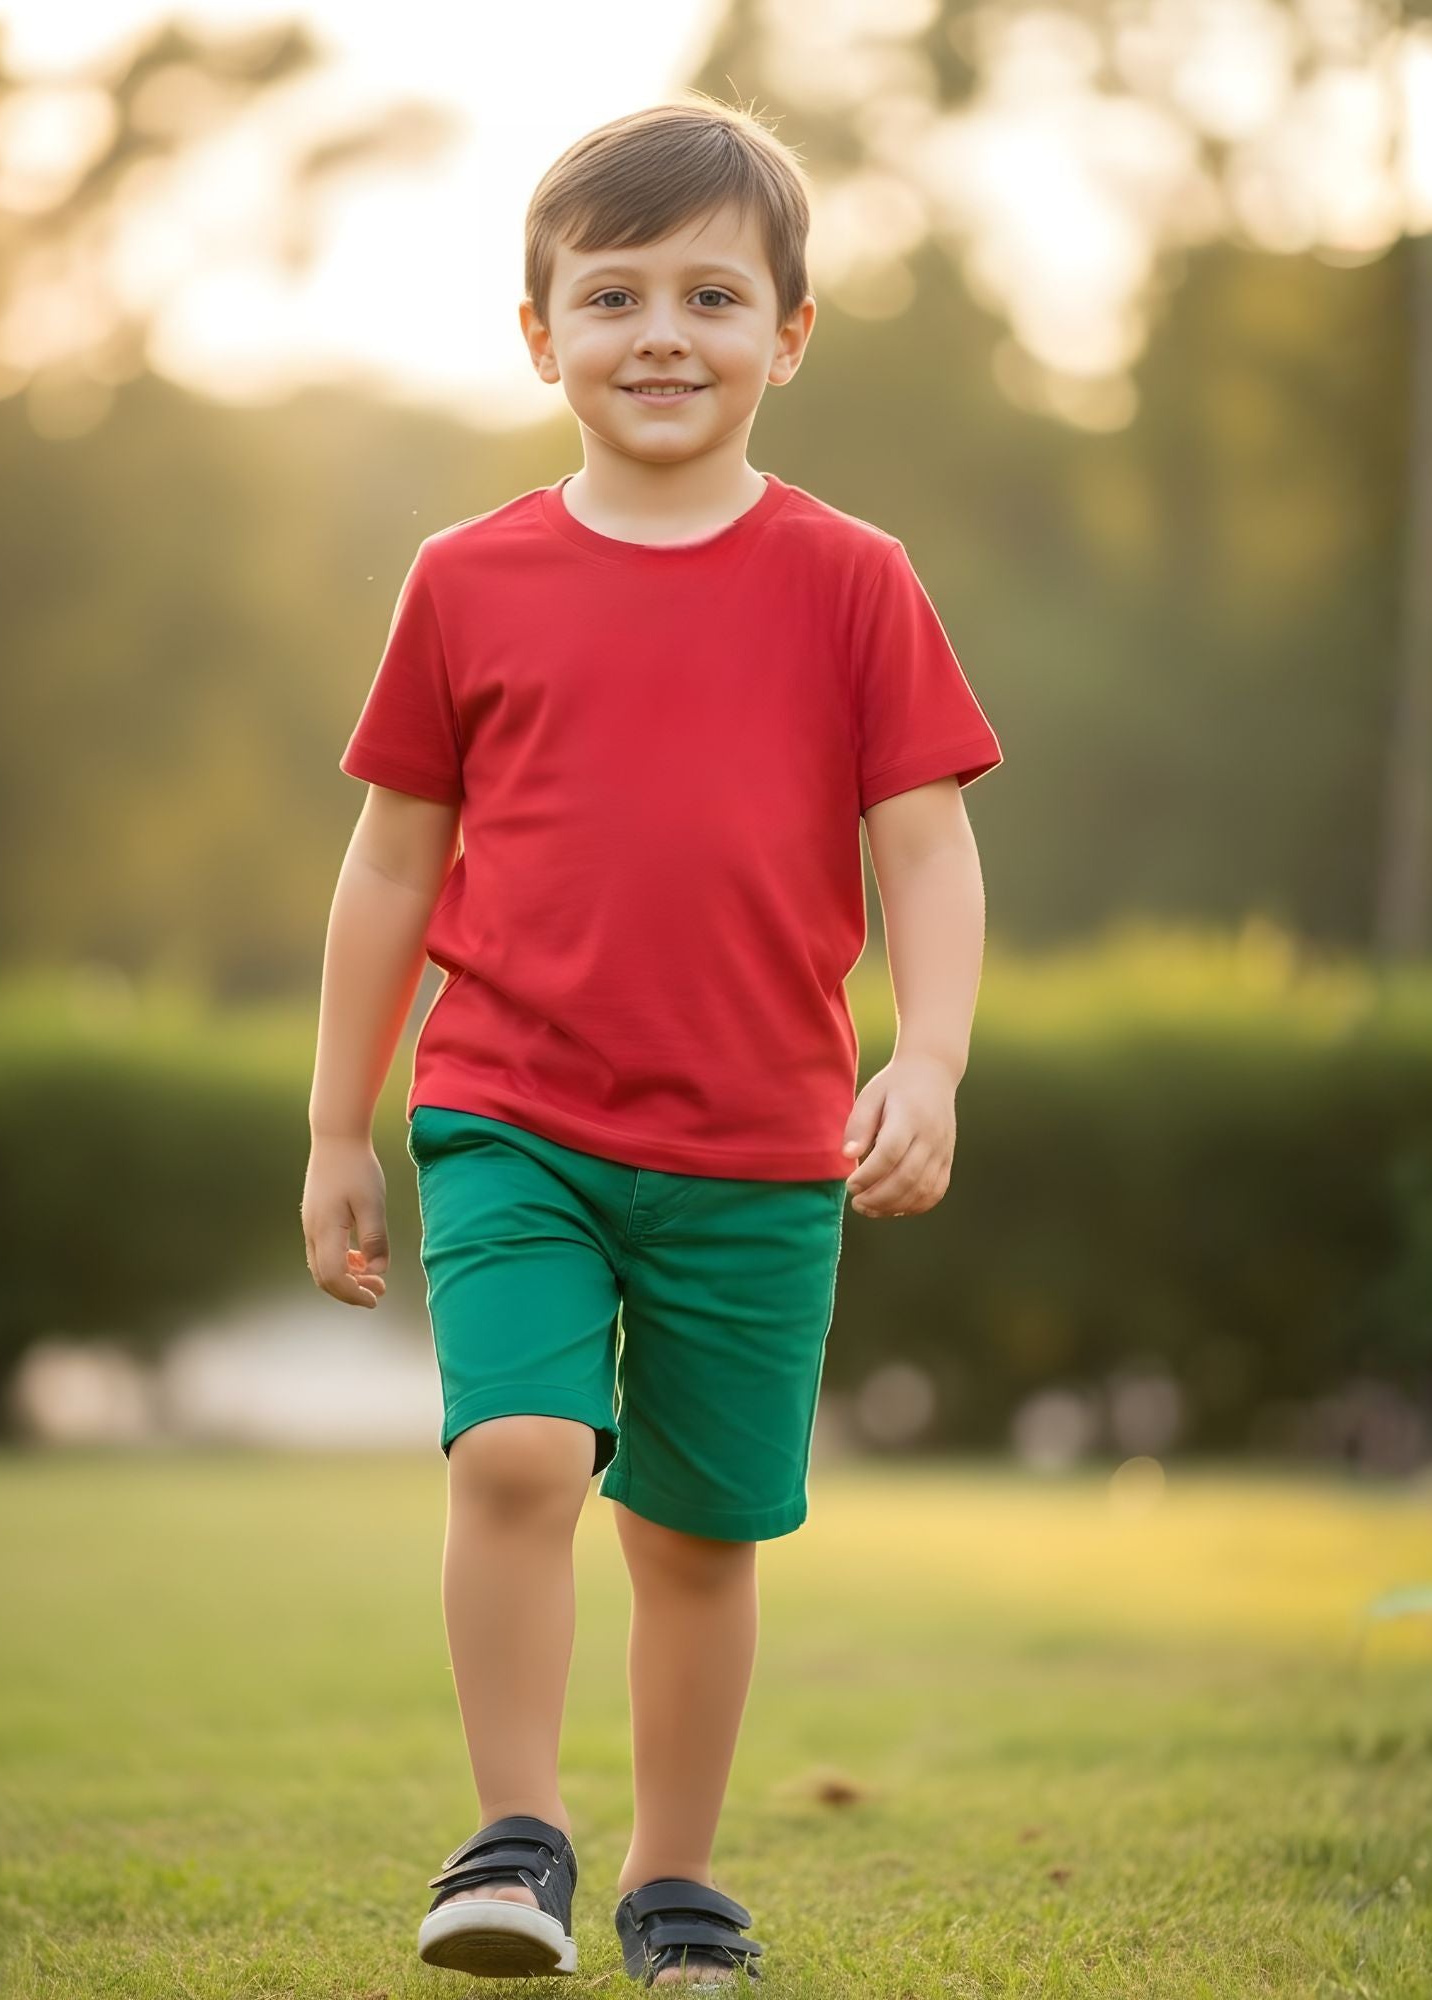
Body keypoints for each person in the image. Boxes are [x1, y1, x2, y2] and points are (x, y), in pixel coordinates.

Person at [302, 93, 1004, 1990]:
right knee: (518, 1454)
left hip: (762, 1143)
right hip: (509, 1112)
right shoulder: (466, 579)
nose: (662, 335)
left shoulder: (854, 579)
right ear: (541, 337)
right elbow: (389, 866)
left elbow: (928, 850)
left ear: (790, 332)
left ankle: (675, 1879)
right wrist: (339, 1125)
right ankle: (514, 1839)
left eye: (712, 295)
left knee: (697, 1534)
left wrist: (929, 1059)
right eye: (612, 298)